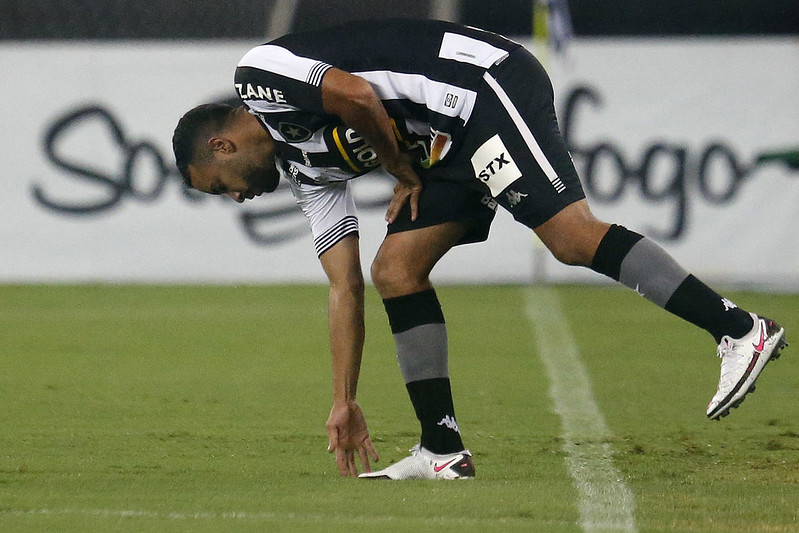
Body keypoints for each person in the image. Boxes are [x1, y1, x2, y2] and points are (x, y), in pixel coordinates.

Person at [171, 19, 788, 479]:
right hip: (441, 141)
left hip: (484, 86)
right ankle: (441, 449)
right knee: (394, 270)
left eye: (221, 188)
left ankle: (737, 329)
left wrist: (400, 173)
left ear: (222, 147)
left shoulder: (259, 75)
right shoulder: (307, 171)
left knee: (570, 238)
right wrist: (344, 399)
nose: (237, 199)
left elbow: (356, 96)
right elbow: (344, 285)